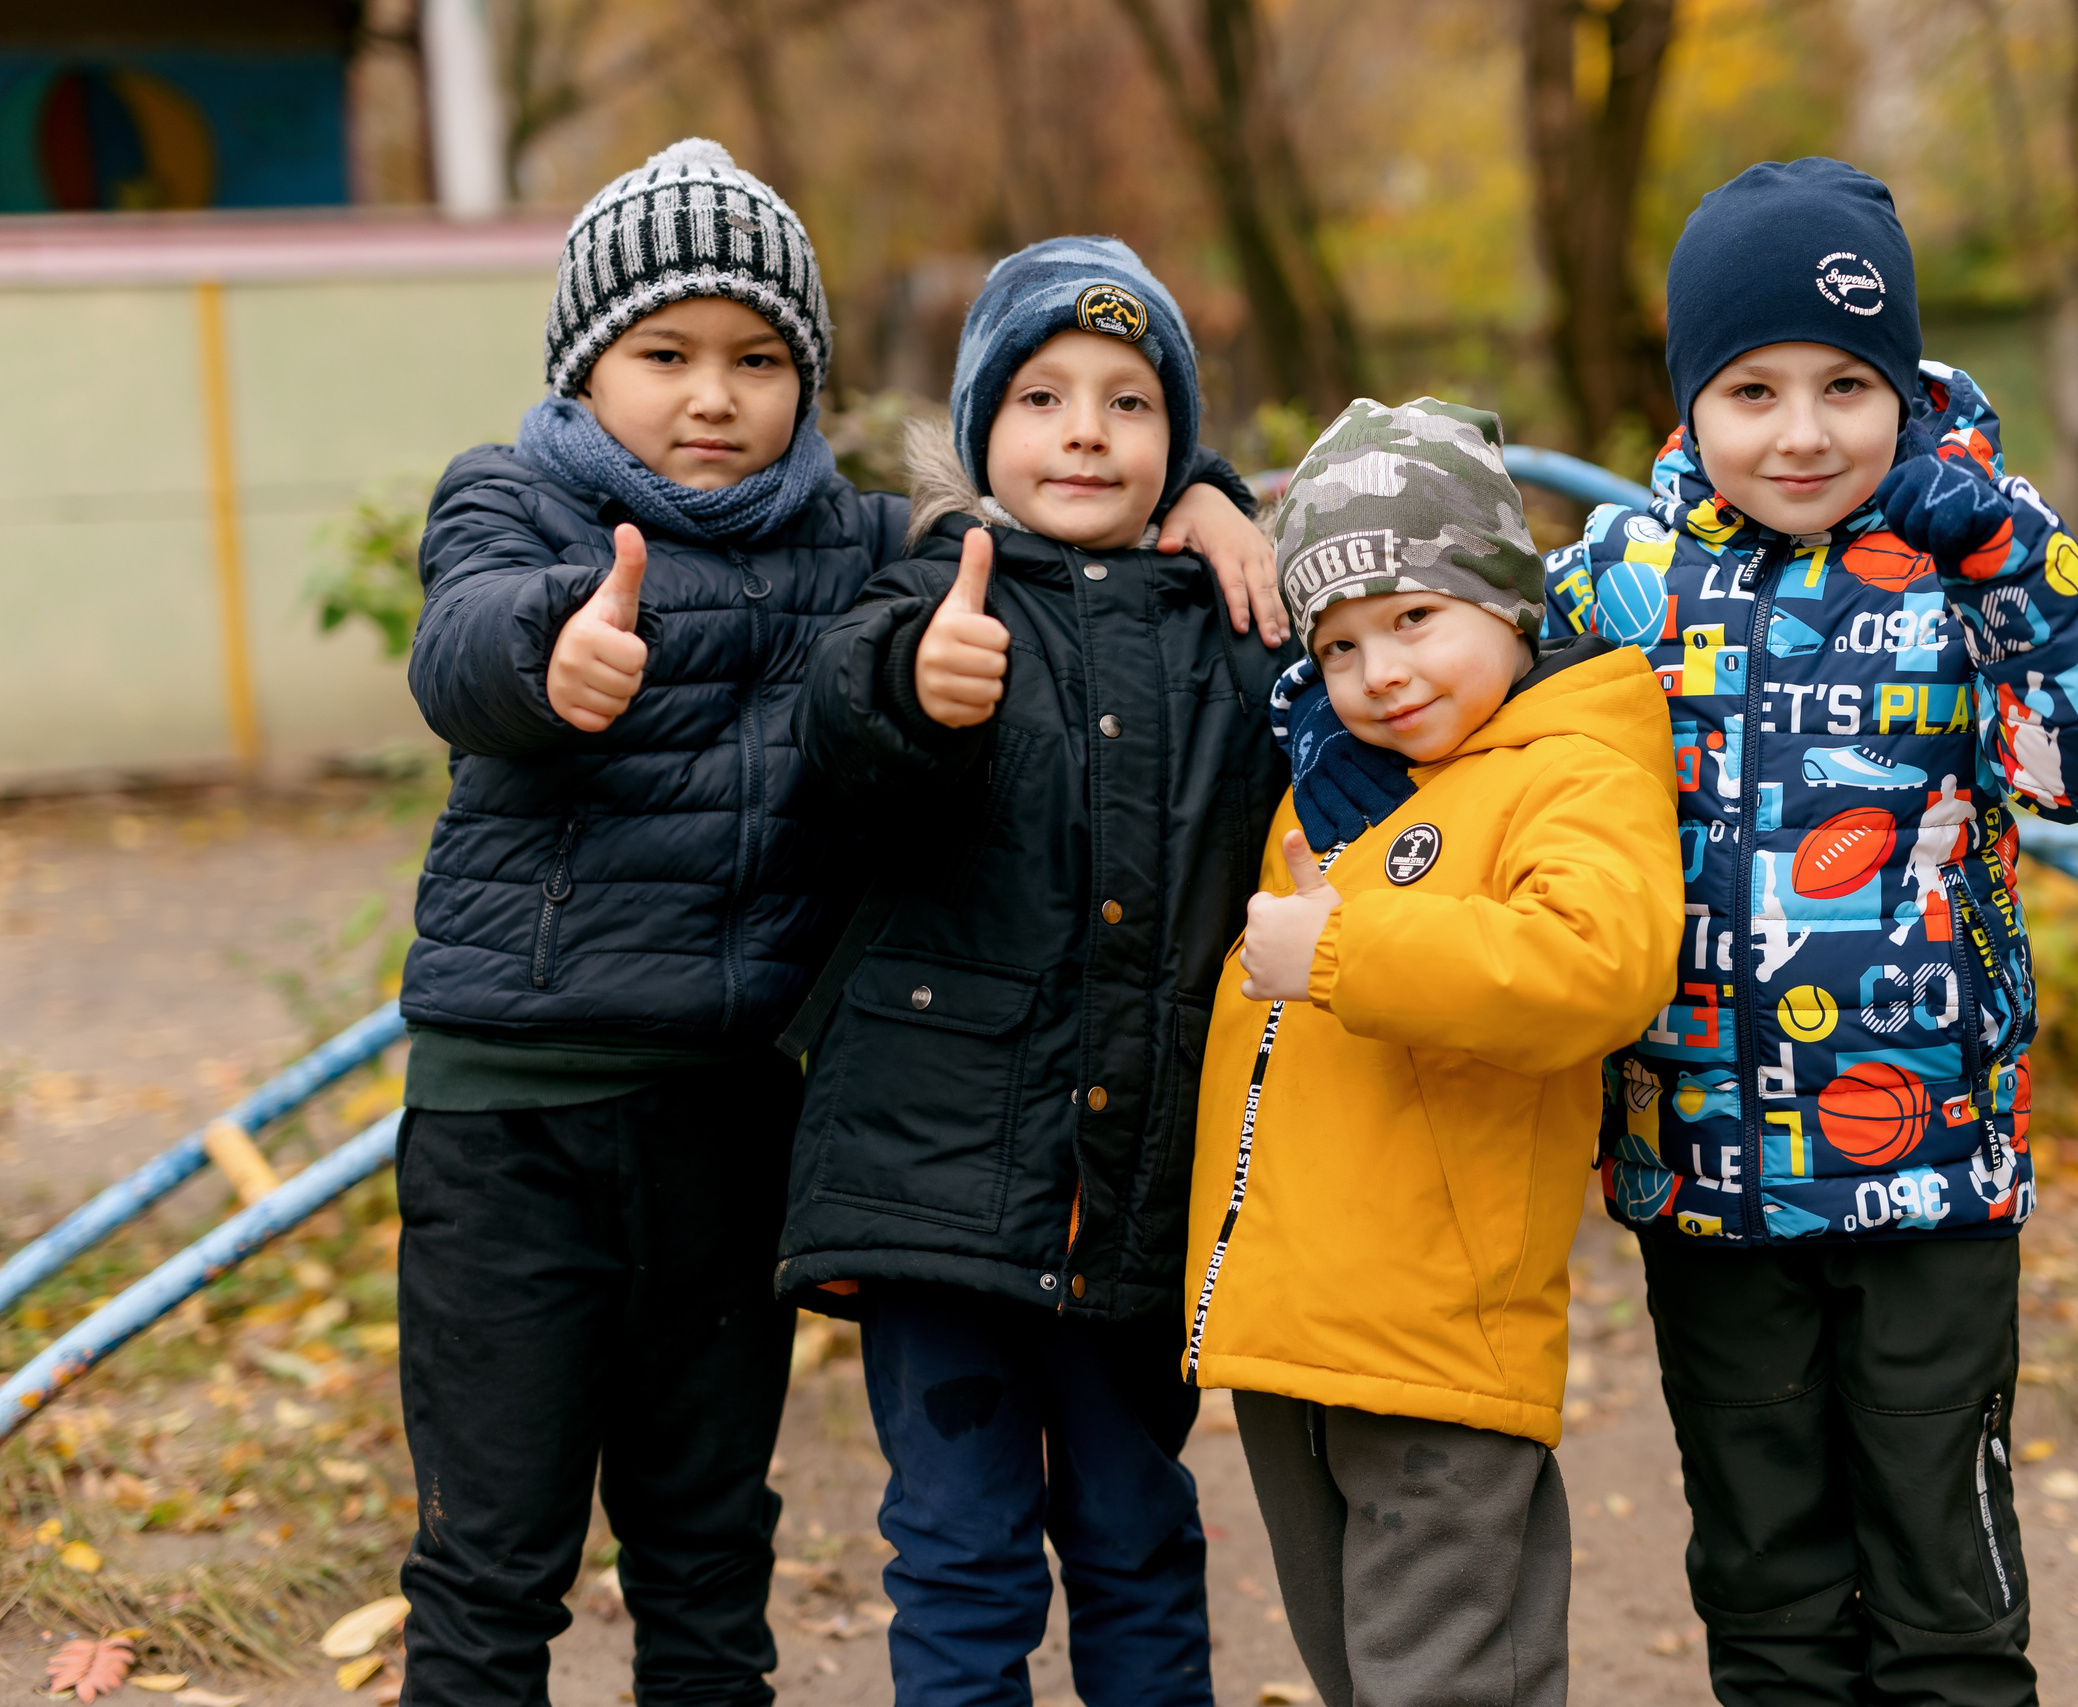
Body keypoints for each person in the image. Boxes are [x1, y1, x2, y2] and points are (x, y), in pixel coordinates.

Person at [395, 147, 1272, 1706]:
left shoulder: (869, 546)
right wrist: (550, 655)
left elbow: (1038, 523)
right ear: (585, 364)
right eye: (665, 355)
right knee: (494, 1549)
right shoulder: (516, 499)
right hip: (516, 1116)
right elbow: (463, 640)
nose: (712, 397)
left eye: (758, 361)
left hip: (735, 1112)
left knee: (708, 1541)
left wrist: (1202, 494)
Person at [1543, 157, 2078, 1705]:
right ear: (1690, 400)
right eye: (1751, 389)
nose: (1804, 431)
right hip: (1704, 1172)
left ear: (1904, 389)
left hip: (1933, 1180)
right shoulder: (1625, 578)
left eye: (1847, 384)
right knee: (1765, 1590)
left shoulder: (1971, 562)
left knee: (1943, 1588)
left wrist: (2018, 552)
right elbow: (1461, 709)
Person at [772, 236, 1295, 1707]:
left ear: (1178, 443)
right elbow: (842, 729)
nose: (1085, 430)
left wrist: (1227, 513)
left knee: (1137, 1536)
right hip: (934, 1185)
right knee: (958, 1546)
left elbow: (1349, 680)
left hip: (1140, 1181)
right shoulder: (935, 595)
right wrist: (917, 695)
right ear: (981, 432)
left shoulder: (1225, 621)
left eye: (1131, 405)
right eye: (1045, 396)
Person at [1181, 396, 1684, 1707]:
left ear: (1510, 603)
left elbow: (1595, 966)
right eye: (1341, 645)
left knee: (1446, 1681)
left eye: (1415, 618)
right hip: (1300, 1324)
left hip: (1433, 1331)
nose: (1383, 673)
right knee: (1359, 1673)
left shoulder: (1565, 766)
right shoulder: (1344, 780)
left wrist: (1345, 955)